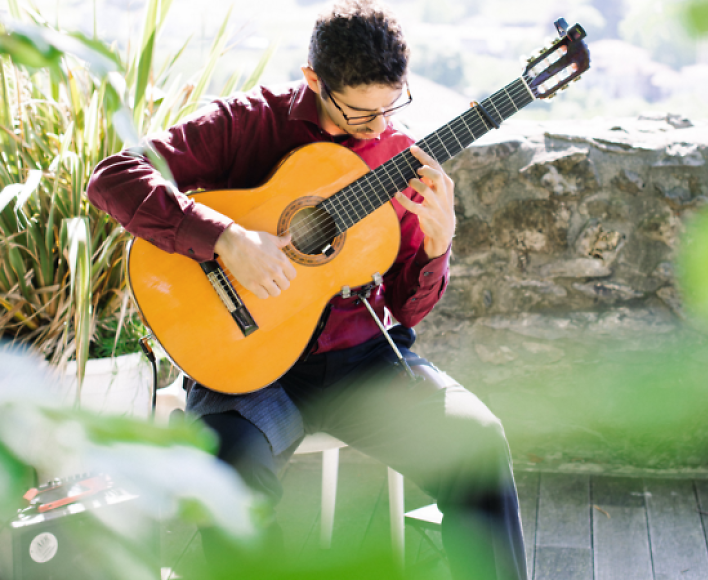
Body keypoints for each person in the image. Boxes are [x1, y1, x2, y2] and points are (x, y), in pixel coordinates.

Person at [87, 1, 528, 578]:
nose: (379, 125)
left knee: (478, 446)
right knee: (229, 476)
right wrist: (226, 240)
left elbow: (407, 307)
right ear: (314, 80)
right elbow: (113, 178)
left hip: (360, 365)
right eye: (359, 110)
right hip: (249, 367)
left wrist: (438, 247)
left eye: (391, 106)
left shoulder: (397, 155)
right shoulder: (248, 123)